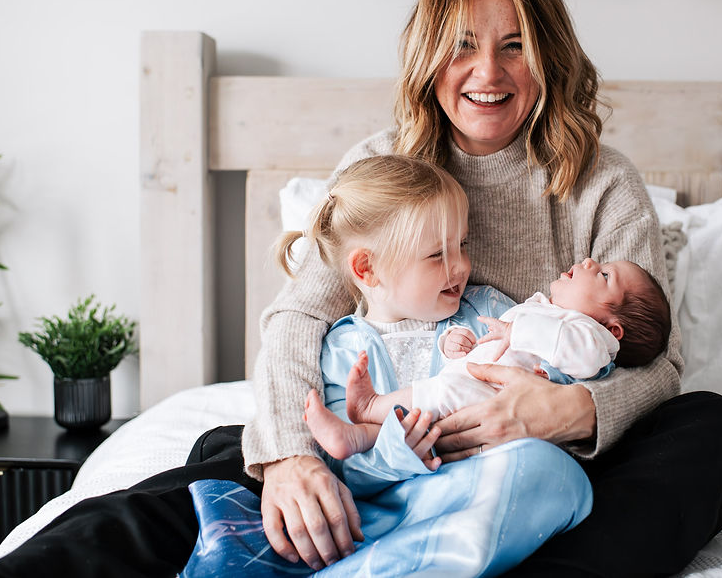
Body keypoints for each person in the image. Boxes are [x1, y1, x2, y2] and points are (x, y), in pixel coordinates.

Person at [0, 0, 722, 578]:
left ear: (548, 57)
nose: (487, 73)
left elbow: (658, 364)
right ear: (430, 57)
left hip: (531, 458)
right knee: (222, 459)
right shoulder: (384, 164)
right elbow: (300, 314)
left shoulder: (601, 181)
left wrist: (573, 411)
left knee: (719, 432)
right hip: (378, 437)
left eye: (514, 45)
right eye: (462, 44)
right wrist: (293, 458)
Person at [179, 155, 593, 577]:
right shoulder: (342, 352)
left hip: (480, 484)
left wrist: (537, 371)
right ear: (367, 269)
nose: (461, 266)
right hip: (394, 508)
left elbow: (549, 366)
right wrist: (399, 454)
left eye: (463, 245)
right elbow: (341, 469)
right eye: (437, 255)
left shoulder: (488, 310)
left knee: (555, 473)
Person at [306, 256, 671, 461]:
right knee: (424, 413)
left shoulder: (593, 337)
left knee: (434, 403)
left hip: (499, 400)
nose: (590, 260)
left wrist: (516, 333)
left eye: (605, 274)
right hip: (475, 380)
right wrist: (456, 342)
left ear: (615, 328)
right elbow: (496, 342)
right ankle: (358, 437)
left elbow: (583, 356)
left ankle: (370, 409)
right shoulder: (547, 311)